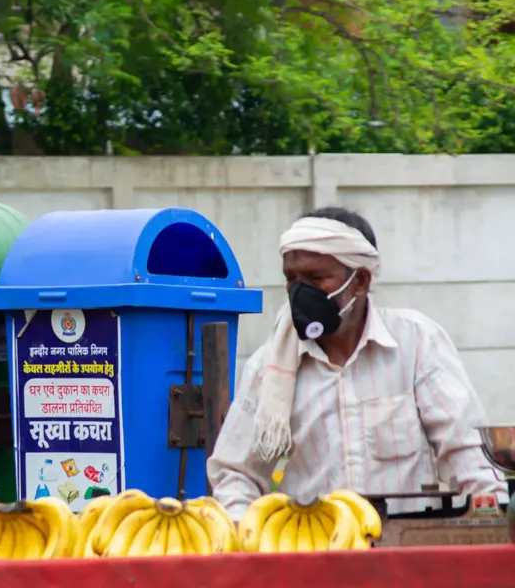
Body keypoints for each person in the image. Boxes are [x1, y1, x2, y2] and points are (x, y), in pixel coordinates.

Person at [207, 206, 506, 523]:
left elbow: (465, 452)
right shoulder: (271, 366)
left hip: (406, 551)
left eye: (315, 278)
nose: (298, 292)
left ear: (360, 280)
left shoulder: (417, 342)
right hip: (312, 554)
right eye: (291, 279)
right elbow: (236, 474)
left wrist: (494, 523)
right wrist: (246, 536)